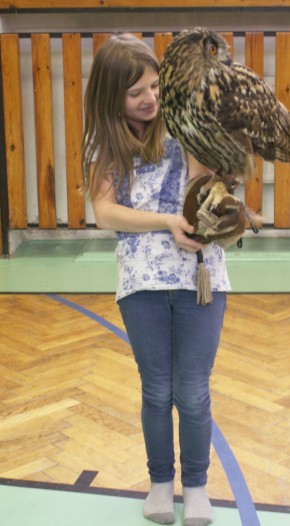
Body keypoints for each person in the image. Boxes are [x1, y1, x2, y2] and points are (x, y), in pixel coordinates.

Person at [81, 33, 232, 526]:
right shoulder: (103, 139)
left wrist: (205, 209)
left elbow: (206, 184)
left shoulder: (183, 124)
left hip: (199, 279)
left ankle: (197, 485)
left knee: (192, 390)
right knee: (156, 389)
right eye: (135, 93)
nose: (149, 99)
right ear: (111, 98)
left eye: (153, 86)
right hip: (141, 283)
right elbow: (105, 212)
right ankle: (161, 482)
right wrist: (166, 222)